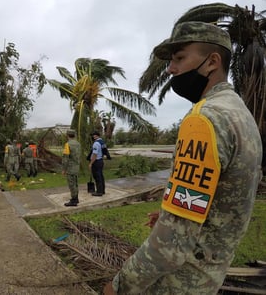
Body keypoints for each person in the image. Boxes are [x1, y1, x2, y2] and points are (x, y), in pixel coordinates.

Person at [104, 21, 263, 294]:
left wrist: (119, 286)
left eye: (179, 58)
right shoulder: (240, 115)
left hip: (178, 282)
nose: (170, 69)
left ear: (212, 62)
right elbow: (223, 203)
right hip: (209, 277)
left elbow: (171, 247)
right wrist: (171, 215)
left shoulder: (203, 119)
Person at [62, 129, 81, 207]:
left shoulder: (68, 144)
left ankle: (74, 200)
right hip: (77, 167)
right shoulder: (78, 143)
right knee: (75, 183)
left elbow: (66, 158)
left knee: (71, 184)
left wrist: (64, 169)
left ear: (67, 135)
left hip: (70, 168)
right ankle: (76, 198)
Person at [88, 131, 105, 196]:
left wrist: (91, 163)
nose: (92, 137)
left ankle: (99, 192)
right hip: (100, 160)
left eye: (93, 135)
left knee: (97, 177)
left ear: (96, 136)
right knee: (101, 176)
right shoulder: (102, 142)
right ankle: (102, 190)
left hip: (96, 162)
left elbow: (95, 154)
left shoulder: (96, 143)